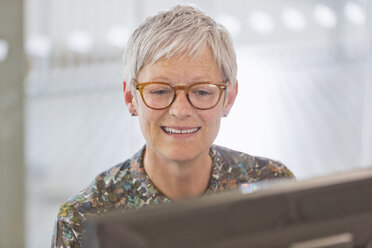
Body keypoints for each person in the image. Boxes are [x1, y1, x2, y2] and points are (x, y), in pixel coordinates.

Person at [51, 5, 294, 247]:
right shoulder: (83, 220)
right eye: (159, 91)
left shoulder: (271, 186)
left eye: (201, 91)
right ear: (130, 98)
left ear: (228, 98)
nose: (180, 111)